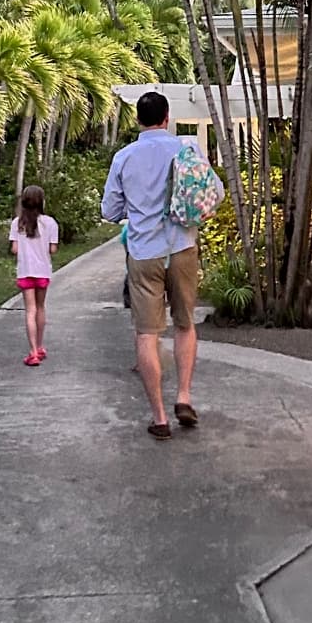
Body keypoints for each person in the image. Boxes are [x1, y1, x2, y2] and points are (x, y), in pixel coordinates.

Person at [101, 92, 211, 441]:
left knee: (147, 334)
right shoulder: (186, 150)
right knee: (184, 324)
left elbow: (110, 210)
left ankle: (159, 417)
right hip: (182, 246)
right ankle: (184, 396)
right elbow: (214, 192)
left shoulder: (124, 157)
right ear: (167, 117)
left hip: (144, 252)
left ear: (138, 120)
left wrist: (135, 210)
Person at [9, 184, 59, 368]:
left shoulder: (17, 223)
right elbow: (52, 249)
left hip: (25, 271)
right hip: (43, 271)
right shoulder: (50, 223)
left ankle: (32, 353)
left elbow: (14, 249)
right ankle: (39, 346)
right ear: (41, 202)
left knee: (29, 310)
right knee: (40, 307)